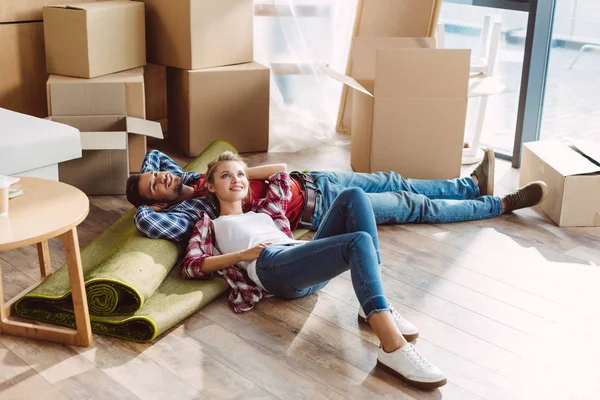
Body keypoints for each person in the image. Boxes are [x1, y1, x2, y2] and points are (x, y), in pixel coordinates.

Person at [181, 151, 447, 389]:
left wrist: (236, 171)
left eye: (240, 175)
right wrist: (242, 255)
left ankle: (375, 307)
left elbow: (280, 171)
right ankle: (393, 345)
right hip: (271, 267)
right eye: (226, 177)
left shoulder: (264, 210)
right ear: (211, 186)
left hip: (298, 257)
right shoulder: (210, 224)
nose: (236, 179)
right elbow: (193, 265)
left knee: (353, 196)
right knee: (359, 241)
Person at [126, 149, 548, 244]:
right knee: (411, 206)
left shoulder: (190, 174)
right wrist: (213, 185)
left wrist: (228, 172)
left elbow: (155, 155)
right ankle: (501, 203)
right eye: (154, 187)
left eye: (155, 176)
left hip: (315, 179)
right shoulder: (197, 207)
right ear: (160, 203)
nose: (159, 176)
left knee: (394, 179)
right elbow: (146, 220)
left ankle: (470, 186)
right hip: (320, 207)